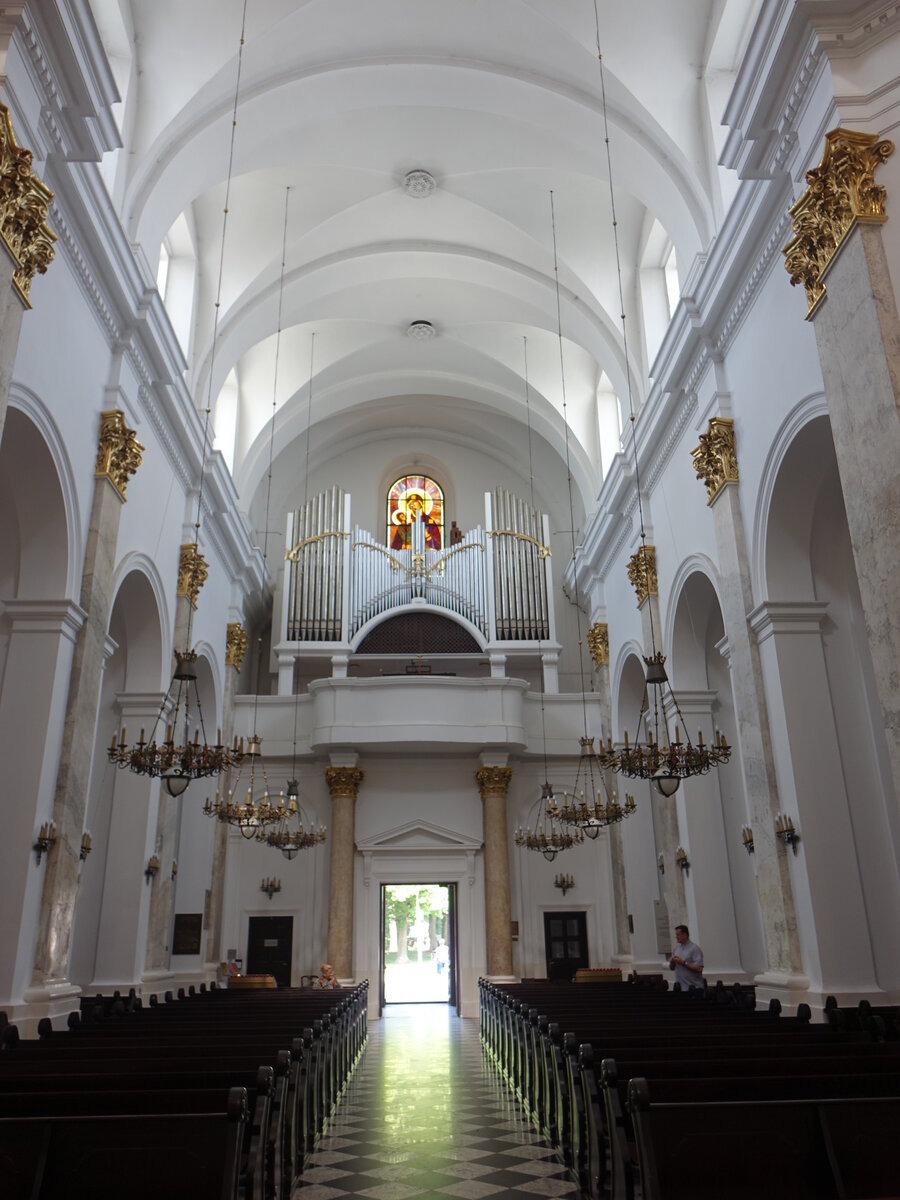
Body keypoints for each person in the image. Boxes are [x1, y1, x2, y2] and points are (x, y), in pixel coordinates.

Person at [669, 924, 704, 990]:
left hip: (694, 988)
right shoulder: (676, 948)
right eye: (676, 935)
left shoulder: (695, 948)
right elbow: (672, 968)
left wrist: (683, 963)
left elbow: (699, 968)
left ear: (685, 935)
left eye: (678, 935)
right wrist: (672, 962)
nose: (676, 937)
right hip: (680, 988)